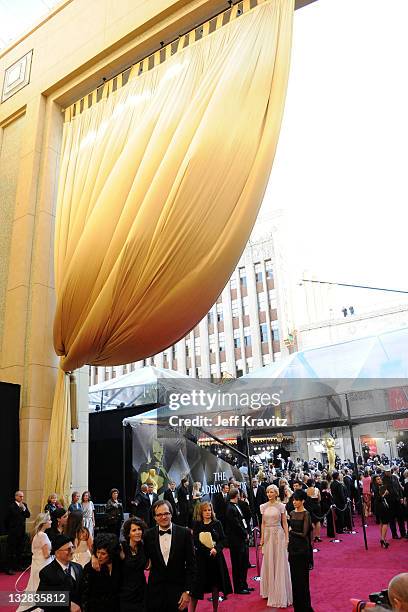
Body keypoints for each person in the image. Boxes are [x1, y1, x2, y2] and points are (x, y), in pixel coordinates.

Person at [143, 499, 196, 611]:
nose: (163, 517)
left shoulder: (185, 533)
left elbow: (192, 566)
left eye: (166, 513)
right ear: (155, 517)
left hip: (178, 592)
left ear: (172, 514)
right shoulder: (148, 535)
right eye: (159, 514)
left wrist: (187, 592)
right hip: (155, 593)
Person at [190, 502, 232, 611]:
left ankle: (215, 610)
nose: (208, 512)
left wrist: (216, 549)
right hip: (201, 559)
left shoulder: (217, 523)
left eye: (209, 510)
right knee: (196, 587)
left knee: (215, 586)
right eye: (205, 510)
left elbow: (223, 540)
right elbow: (194, 541)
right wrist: (205, 549)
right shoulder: (197, 524)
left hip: (215, 559)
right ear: (201, 512)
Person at [259, 484, 292, 608]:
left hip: (278, 535)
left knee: (279, 561)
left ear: (276, 493)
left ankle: (279, 592)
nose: (269, 494)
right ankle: (269, 590)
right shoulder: (263, 506)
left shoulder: (281, 506)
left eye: (271, 492)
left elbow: (284, 523)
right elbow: (262, 523)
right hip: (267, 535)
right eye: (268, 492)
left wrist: (287, 538)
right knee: (268, 561)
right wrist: (262, 538)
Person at [37, 534, 83, 612]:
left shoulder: (78, 567)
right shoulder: (47, 572)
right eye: (68, 549)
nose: (72, 551)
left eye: (72, 547)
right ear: (57, 553)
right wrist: (68, 604)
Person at [16, 513, 52, 612]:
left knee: (34, 586)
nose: (51, 522)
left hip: (37, 564)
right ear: (43, 523)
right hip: (43, 565)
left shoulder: (36, 534)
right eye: (49, 520)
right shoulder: (43, 535)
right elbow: (46, 555)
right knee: (41, 587)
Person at [288, 489, 314, 612]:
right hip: (292, 549)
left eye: (297, 500)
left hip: (302, 550)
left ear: (302, 501)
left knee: (303, 580)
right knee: (294, 580)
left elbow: (304, 534)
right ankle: (297, 608)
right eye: (293, 499)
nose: (294, 502)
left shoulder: (306, 514)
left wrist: (290, 532)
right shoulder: (292, 513)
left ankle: (305, 608)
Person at [82, 532, 121, 611]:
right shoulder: (90, 567)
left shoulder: (118, 564)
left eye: (103, 553)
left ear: (111, 553)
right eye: (97, 552)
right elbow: (84, 594)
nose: (99, 556)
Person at [225, 488, 250, 595]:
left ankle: (244, 585)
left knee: (243, 563)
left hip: (241, 539)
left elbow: (241, 520)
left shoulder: (236, 506)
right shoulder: (230, 508)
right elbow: (236, 525)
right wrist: (245, 534)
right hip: (236, 541)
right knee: (237, 565)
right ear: (236, 495)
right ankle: (238, 588)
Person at [120, 517, 148, 612]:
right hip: (125, 592)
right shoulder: (121, 547)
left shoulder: (144, 547)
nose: (137, 532)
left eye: (139, 529)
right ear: (128, 533)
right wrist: (94, 557)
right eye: (134, 530)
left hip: (141, 590)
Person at [4, 490, 31, 575]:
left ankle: (17, 566)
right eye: (20, 496)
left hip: (21, 531)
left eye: (22, 496)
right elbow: (9, 518)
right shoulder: (11, 506)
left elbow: (28, 515)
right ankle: (8, 568)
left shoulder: (24, 505)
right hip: (13, 532)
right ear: (16, 497)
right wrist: (9, 529)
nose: (22, 498)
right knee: (11, 551)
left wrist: (24, 509)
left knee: (19, 550)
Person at [372, 475, 391, 548]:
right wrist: (384, 493)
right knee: (385, 523)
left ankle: (383, 538)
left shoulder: (376, 487)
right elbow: (379, 497)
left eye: (380, 479)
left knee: (382, 523)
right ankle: (383, 539)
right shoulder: (378, 488)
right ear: (375, 481)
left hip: (378, 506)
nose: (380, 480)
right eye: (378, 479)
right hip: (381, 506)